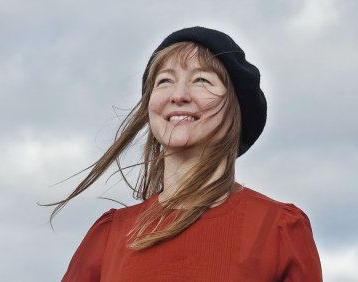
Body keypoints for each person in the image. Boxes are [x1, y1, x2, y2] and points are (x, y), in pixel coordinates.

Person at [56, 26, 322, 281]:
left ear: (236, 108)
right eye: (165, 81)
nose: (179, 94)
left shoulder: (278, 230)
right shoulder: (109, 236)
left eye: (201, 80)